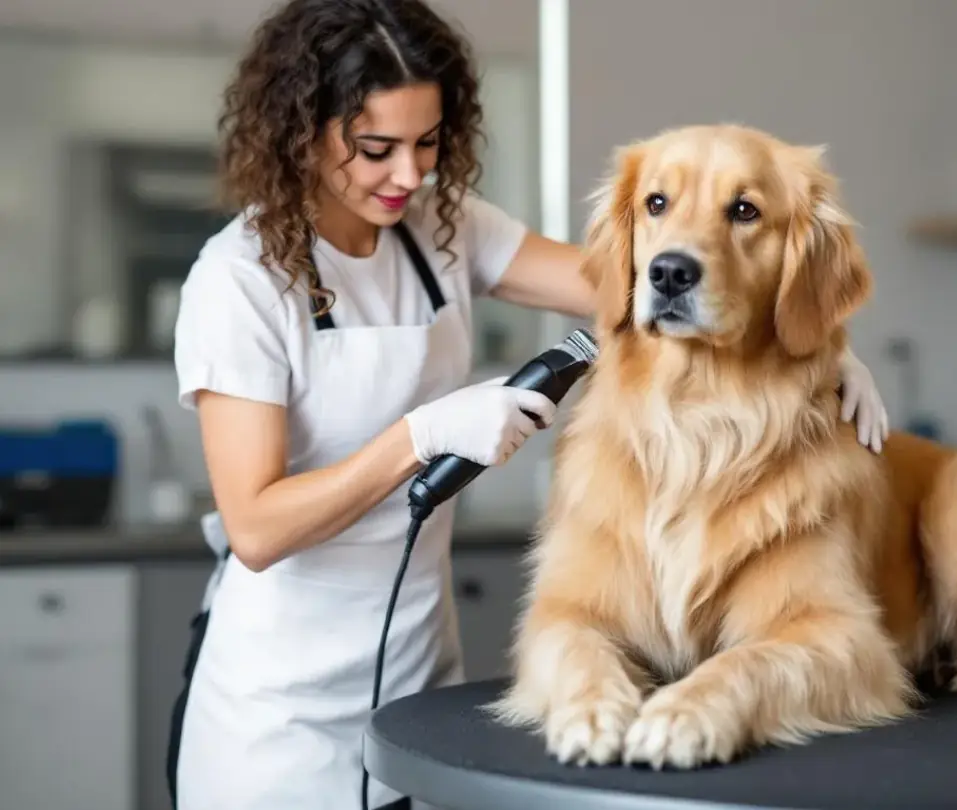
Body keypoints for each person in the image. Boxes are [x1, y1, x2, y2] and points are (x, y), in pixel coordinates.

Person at [166, 0, 891, 808]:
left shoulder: (441, 228)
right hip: (275, 718)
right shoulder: (239, 281)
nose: (408, 175)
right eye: (376, 150)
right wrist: (421, 436)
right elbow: (256, 529)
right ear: (301, 131)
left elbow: (629, 284)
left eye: (427, 143)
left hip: (415, 678)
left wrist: (817, 339)